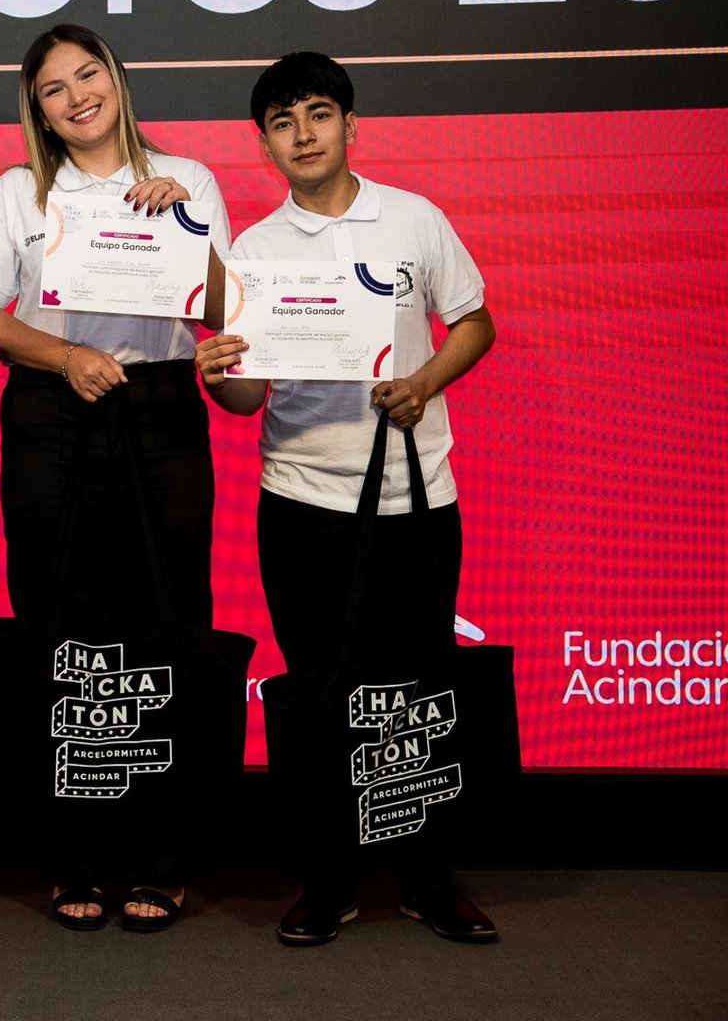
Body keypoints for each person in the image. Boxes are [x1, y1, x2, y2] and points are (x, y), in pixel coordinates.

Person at [196, 51, 498, 945]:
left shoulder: (412, 219)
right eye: (283, 123)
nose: (303, 134)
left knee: (419, 692)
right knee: (321, 695)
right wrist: (219, 374)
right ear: (264, 145)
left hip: (416, 493)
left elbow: (474, 321)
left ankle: (428, 877)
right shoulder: (251, 251)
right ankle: (325, 880)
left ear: (350, 125)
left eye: (318, 115)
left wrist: (425, 383)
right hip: (298, 497)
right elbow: (249, 399)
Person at [0, 24, 231, 932]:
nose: (76, 97)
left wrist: (189, 231)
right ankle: (67, 848)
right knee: (57, 617)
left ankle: (164, 850)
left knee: (169, 615)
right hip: (49, 409)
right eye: (52, 89)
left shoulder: (188, 178)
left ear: (116, 76)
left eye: (88, 76)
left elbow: (229, 319)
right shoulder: (15, 192)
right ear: (34, 109)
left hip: (159, 410)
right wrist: (66, 353)